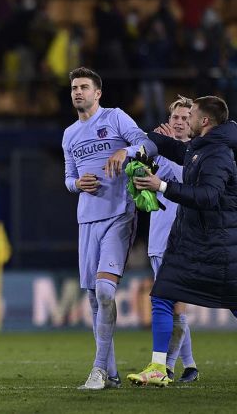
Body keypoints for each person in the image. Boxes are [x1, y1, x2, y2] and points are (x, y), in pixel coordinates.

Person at [128, 96, 237, 385]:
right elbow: (174, 148)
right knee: (162, 294)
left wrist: (160, 185)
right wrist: (143, 145)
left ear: (204, 121)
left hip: (219, 247)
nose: (185, 120)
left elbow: (208, 197)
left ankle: (168, 366)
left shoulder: (218, 154)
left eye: (191, 116)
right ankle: (159, 368)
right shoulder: (202, 148)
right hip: (198, 244)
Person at [62, 66, 157, 390]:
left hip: (119, 214)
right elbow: (67, 178)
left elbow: (147, 143)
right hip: (86, 219)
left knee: (104, 291)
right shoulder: (69, 134)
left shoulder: (115, 118)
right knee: (93, 297)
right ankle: (111, 373)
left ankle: (98, 370)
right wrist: (76, 183)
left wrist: (125, 150)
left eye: (84, 87)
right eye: (74, 87)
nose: (77, 92)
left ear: (97, 93)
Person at [137, 96, 199, 385]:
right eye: (175, 117)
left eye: (186, 118)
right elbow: (139, 179)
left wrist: (165, 149)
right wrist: (150, 151)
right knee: (172, 305)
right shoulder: (158, 149)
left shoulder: (197, 154)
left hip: (184, 238)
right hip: (158, 236)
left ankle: (169, 366)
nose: (179, 122)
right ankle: (188, 365)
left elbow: (184, 183)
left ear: (195, 122)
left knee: (174, 304)